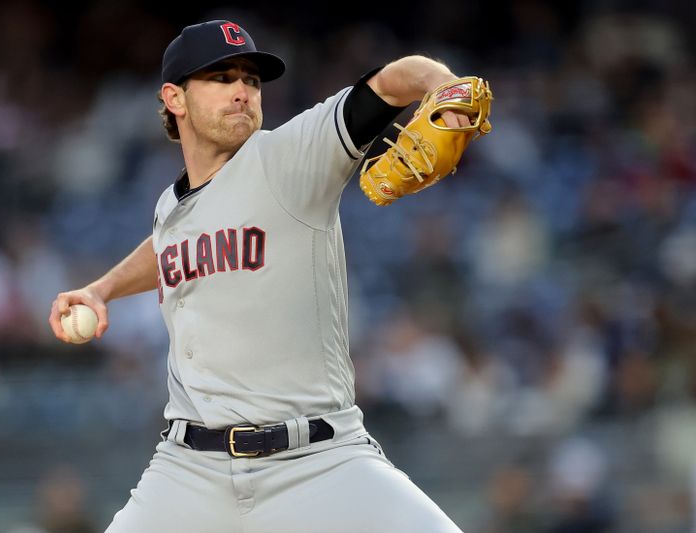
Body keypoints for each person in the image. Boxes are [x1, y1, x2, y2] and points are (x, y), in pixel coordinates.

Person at [49, 19, 470, 533]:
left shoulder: (290, 157)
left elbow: (396, 78)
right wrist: (101, 289)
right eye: (222, 78)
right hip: (189, 469)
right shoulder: (171, 206)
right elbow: (168, 244)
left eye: (251, 80)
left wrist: (443, 88)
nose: (242, 92)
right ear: (174, 98)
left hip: (317, 463)